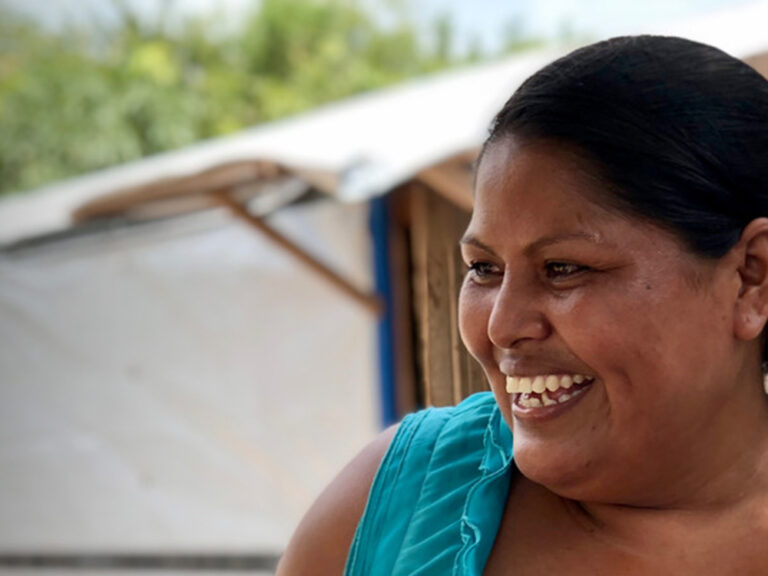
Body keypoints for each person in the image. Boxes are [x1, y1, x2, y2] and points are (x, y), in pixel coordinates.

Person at [276, 35, 768, 575]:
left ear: (751, 278)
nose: (503, 325)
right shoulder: (399, 502)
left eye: (563, 269)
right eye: (484, 269)